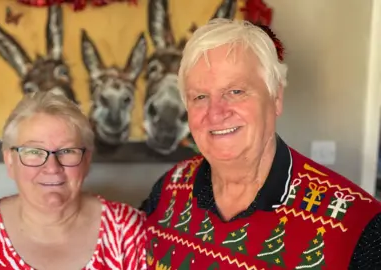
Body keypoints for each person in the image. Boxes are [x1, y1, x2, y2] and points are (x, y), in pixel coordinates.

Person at [140, 18, 381, 269]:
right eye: (200, 96)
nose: (215, 113)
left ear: (276, 97)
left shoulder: (359, 228)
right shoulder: (170, 186)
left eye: (235, 91)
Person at [0, 91, 146, 270]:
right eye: (33, 151)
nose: (52, 167)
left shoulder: (128, 231)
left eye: (67, 150)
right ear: (10, 161)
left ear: (86, 160)